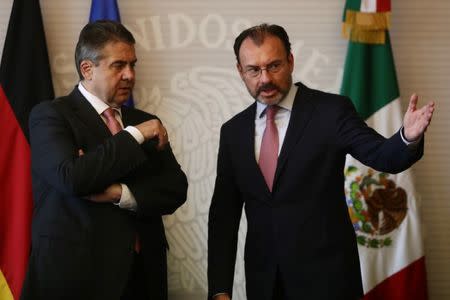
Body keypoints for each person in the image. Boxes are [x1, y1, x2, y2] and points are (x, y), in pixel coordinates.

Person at [207, 23, 435, 300]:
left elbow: (383, 154)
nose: (264, 78)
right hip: (265, 284)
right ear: (240, 71)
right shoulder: (232, 132)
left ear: (291, 61)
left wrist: (406, 137)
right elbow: (223, 217)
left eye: (274, 66)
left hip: (329, 282)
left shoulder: (331, 111)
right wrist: (220, 290)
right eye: (254, 70)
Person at [21, 20, 188, 300]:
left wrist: (119, 193)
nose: (130, 75)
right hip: (77, 278)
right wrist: (133, 135)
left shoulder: (146, 121)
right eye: (119, 65)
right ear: (87, 69)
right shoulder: (51, 116)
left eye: (133, 64)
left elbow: (175, 189)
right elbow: (72, 178)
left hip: (143, 275)